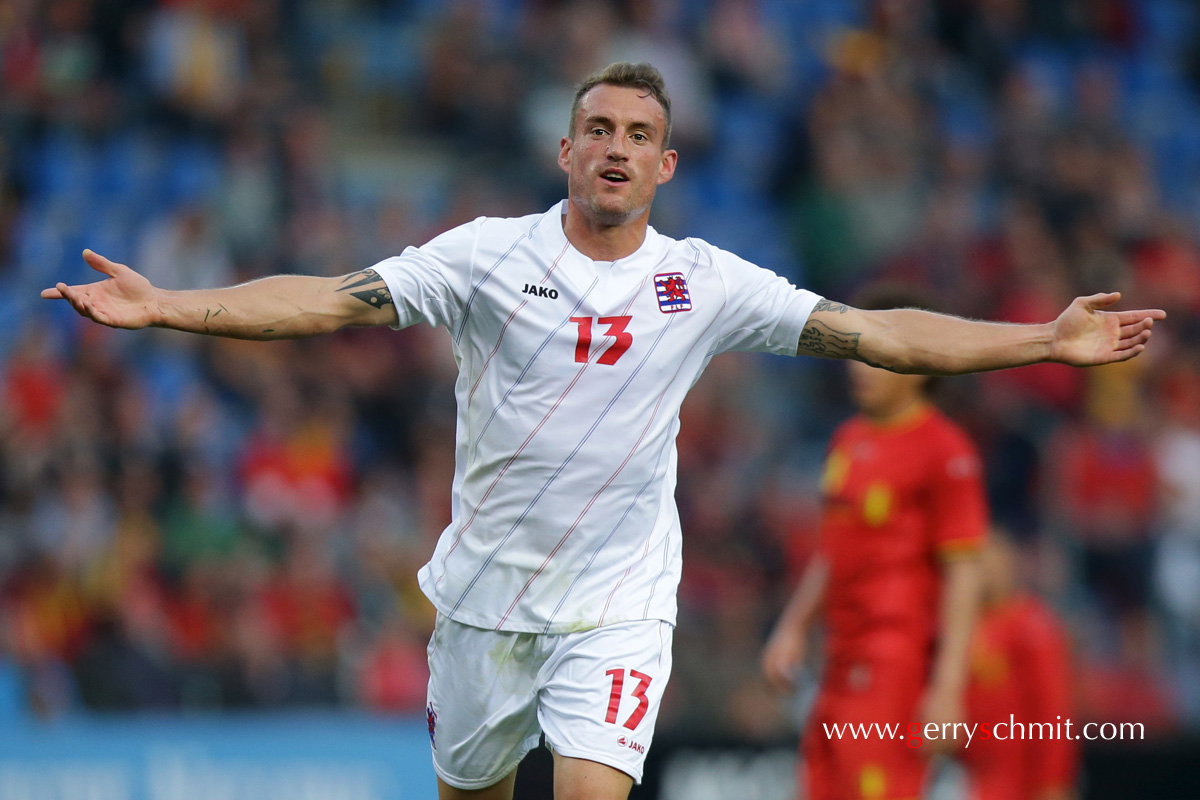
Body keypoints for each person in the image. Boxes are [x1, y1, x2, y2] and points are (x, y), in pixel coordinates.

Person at [43, 62, 1163, 800]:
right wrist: (171, 305)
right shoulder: (487, 255)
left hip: (617, 602)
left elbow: (880, 332)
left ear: (666, 165)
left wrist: (1038, 338)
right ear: (567, 153)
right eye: (598, 129)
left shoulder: (704, 281)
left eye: (639, 133)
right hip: (483, 593)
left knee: (588, 790)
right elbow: (328, 299)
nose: (617, 146)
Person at [761, 287, 990, 800]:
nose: (861, 365)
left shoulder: (945, 451)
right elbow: (833, 548)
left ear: (923, 361)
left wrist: (949, 688)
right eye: (858, 349)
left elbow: (964, 572)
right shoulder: (849, 440)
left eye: (878, 353)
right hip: (839, 657)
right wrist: (794, 627)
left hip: (897, 665)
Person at [961, 531, 1080, 800]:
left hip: (1018, 779)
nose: (985, 571)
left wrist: (1054, 781)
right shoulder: (958, 626)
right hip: (968, 777)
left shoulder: (1031, 625)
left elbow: (1052, 711)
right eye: (977, 562)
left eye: (991, 561)